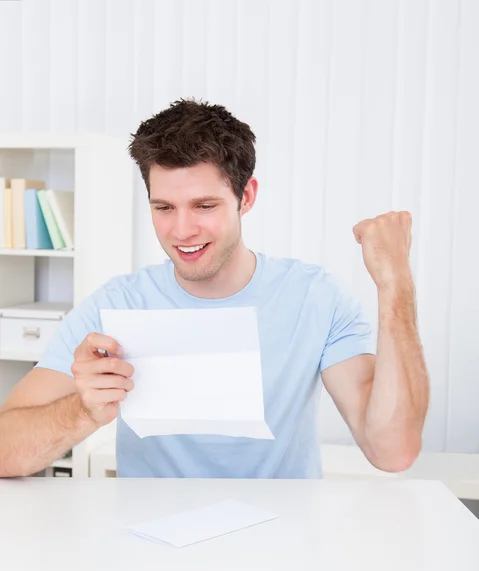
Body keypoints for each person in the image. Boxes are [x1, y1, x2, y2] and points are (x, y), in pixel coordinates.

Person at [0, 99, 429, 478]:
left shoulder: (314, 297)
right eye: (164, 208)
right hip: (148, 546)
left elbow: (392, 452)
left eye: (204, 206)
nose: (182, 231)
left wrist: (395, 283)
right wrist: (82, 411)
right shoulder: (117, 305)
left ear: (246, 197)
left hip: (283, 545)